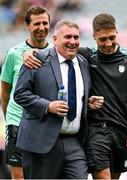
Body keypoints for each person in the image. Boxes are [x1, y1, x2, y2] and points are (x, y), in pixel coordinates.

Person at [23, 13, 127, 179]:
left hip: (123, 130)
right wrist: (29, 53)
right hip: (96, 130)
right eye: (102, 39)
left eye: (112, 37)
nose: (108, 43)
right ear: (94, 36)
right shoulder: (85, 55)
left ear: (117, 32)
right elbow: (57, 51)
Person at [14, 19, 104, 179]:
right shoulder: (37, 60)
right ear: (55, 39)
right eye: (67, 37)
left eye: (76, 37)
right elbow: (20, 94)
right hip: (42, 142)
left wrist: (85, 104)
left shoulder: (83, 63)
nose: (73, 41)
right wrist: (48, 106)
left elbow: (75, 95)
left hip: (74, 143)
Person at [0, 5, 52, 179]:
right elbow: (5, 91)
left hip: (44, 124)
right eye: (37, 23)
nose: (41, 28)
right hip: (17, 124)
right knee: (19, 176)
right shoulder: (14, 54)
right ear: (27, 25)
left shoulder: (56, 54)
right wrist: (10, 120)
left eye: (45, 23)